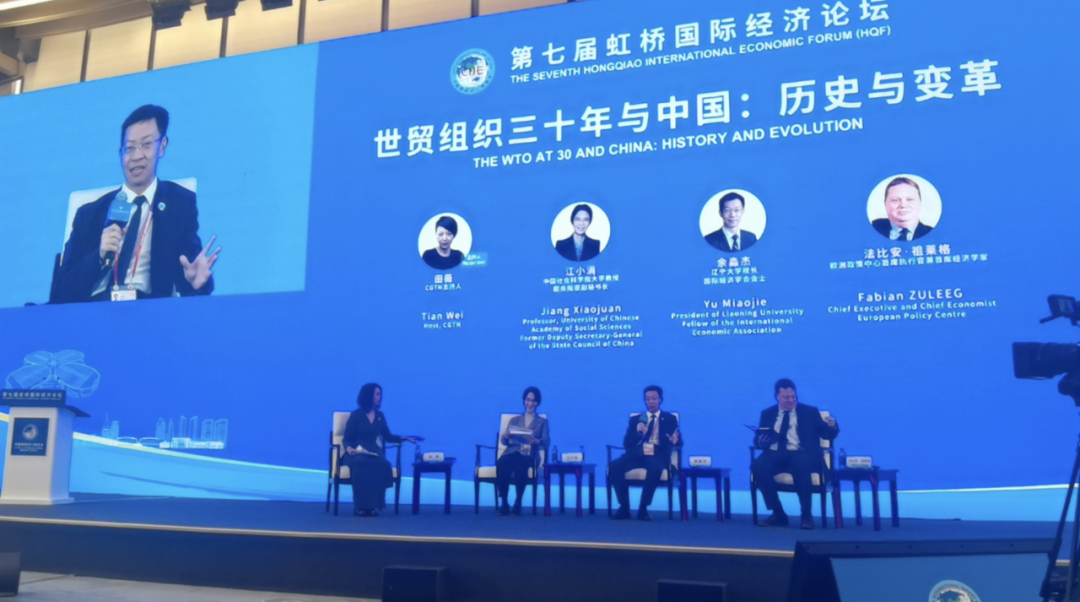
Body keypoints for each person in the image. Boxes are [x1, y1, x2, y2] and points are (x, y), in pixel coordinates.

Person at [54, 104, 220, 303]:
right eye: (130, 147)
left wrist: (196, 283)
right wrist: (98, 255)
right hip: (95, 310)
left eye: (146, 144)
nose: (136, 156)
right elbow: (62, 291)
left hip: (148, 311)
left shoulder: (179, 205)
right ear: (120, 153)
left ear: (162, 146)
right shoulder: (89, 214)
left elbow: (190, 272)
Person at [751, 378, 839, 530]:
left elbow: (827, 435)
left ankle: (806, 515)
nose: (791, 400)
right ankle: (778, 513)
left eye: (793, 397)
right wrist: (762, 442)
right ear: (777, 397)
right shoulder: (768, 413)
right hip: (776, 454)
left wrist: (833, 426)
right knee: (758, 465)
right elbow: (758, 440)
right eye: (786, 398)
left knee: (800, 463)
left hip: (803, 454)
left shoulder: (810, 412)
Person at [342, 383, 417, 517]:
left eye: (380, 394)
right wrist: (349, 449)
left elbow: (387, 436)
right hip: (356, 453)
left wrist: (403, 438)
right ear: (369, 396)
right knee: (361, 463)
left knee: (382, 464)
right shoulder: (356, 415)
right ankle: (360, 507)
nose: (380, 397)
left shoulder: (380, 416)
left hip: (373, 452)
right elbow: (347, 438)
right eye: (377, 394)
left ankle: (373, 506)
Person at [609, 385, 683, 521]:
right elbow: (626, 443)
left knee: (655, 468)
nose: (651, 402)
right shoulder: (637, 419)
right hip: (637, 454)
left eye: (654, 398)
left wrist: (675, 441)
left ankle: (643, 508)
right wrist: (637, 432)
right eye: (648, 399)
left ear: (660, 400)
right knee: (614, 466)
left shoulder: (670, 419)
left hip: (657, 454)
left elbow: (679, 441)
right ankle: (624, 507)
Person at [496, 386, 550, 516]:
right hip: (513, 451)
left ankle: (518, 502)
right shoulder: (514, 420)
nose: (530, 403)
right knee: (502, 463)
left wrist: (536, 441)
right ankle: (504, 502)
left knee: (520, 465)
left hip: (529, 454)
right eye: (528, 400)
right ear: (524, 401)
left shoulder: (542, 422)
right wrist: (506, 436)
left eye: (533, 400)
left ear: (538, 403)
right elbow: (504, 441)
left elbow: (546, 441)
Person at [872, 176, 935, 241]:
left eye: (910, 199)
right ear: (885, 204)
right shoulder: (873, 228)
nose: (903, 205)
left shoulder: (933, 235)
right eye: (895, 200)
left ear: (920, 203)